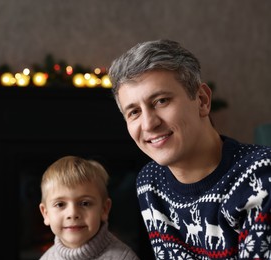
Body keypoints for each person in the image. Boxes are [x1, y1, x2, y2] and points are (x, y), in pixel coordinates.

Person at [108, 39, 271, 259]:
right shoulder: (149, 182)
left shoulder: (262, 177)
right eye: (134, 112)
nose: (148, 124)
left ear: (202, 100)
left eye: (161, 101)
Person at [38, 155, 140, 260]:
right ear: (45, 213)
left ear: (104, 209)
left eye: (85, 203)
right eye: (60, 204)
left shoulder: (124, 258)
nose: (72, 213)